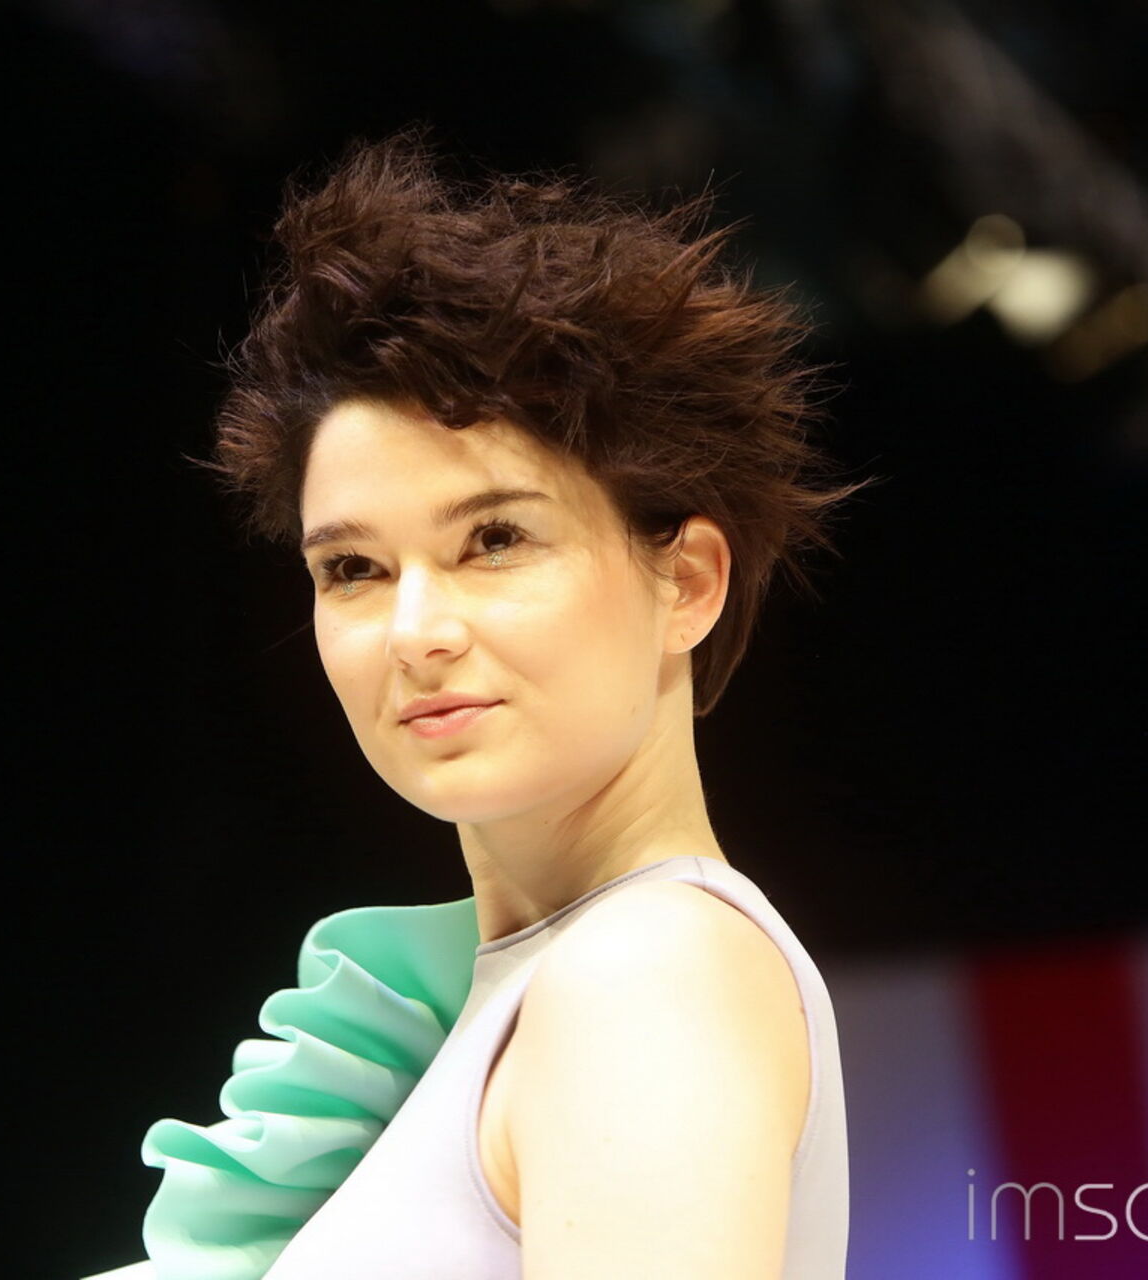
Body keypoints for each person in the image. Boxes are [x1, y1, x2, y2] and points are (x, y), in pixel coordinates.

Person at [127, 121, 877, 1280]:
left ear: (686, 581)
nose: (416, 630)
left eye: (494, 540)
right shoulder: (517, 1003)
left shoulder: (651, 967)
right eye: (354, 567)